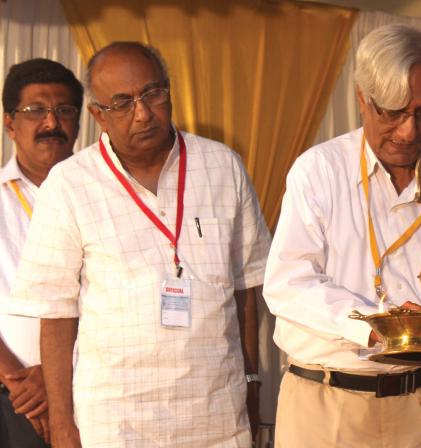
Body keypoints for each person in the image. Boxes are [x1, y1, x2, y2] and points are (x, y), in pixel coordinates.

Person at [263, 24, 421, 447]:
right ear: (363, 99)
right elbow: (288, 284)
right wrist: (381, 328)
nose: (408, 131)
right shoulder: (319, 171)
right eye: (392, 113)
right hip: (325, 401)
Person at [6, 42, 270, 447]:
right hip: (116, 422)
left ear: (168, 90)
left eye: (152, 94)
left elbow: (245, 290)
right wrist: (62, 425)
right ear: (98, 116)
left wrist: (253, 385)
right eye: (123, 103)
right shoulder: (71, 183)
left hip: (217, 415)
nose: (143, 112)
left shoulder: (222, 166)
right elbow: (57, 317)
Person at [0, 58, 82, 448]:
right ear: (10, 123)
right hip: (12, 398)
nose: (51, 123)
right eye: (35, 111)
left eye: (64, 110)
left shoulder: (106, 200)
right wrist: (20, 381)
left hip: (89, 389)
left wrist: (55, 378)